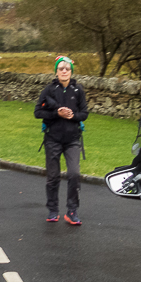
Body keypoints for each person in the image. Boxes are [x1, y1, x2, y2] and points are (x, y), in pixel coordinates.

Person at [35, 56, 88, 225]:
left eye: (67, 68)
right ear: (56, 71)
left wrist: (73, 116)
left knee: (74, 174)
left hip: (72, 139)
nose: (64, 71)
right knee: (53, 176)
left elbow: (84, 114)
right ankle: (53, 209)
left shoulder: (78, 90)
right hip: (52, 139)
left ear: (71, 71)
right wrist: (55, 114)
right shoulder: (49, 90)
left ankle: (72, 211)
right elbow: (37, 112)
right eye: (61, 68)